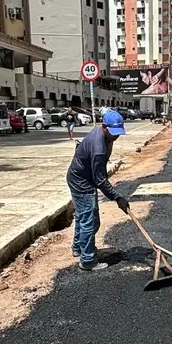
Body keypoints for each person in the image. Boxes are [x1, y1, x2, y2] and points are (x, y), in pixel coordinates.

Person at [67, 110, 130, 271]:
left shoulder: (105, 135)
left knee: (83, 216)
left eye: (118, 133)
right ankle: (87, 260)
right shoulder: (98, 148)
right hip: (82, 181)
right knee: (90, 220)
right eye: (113, 133)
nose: (115, 137)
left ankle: (78, 248)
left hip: (79, 176)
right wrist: (118, 198)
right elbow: (100, 179)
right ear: (104, 126)